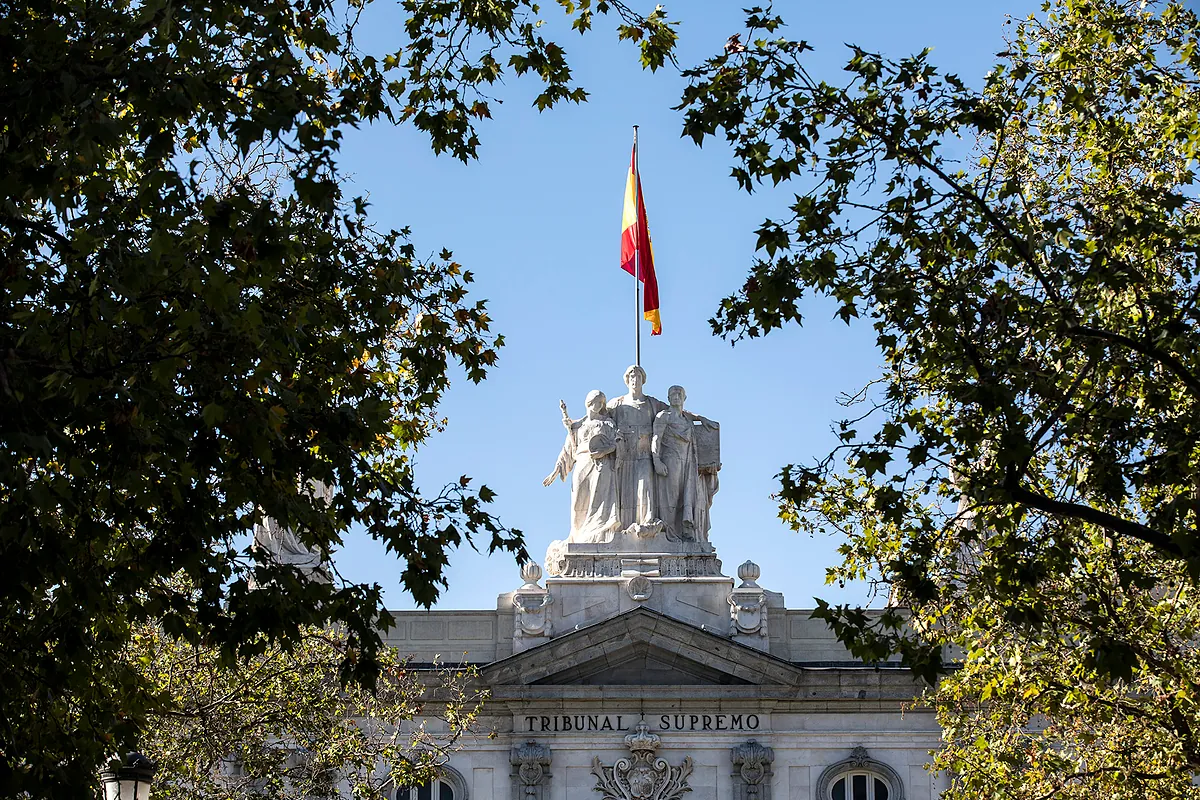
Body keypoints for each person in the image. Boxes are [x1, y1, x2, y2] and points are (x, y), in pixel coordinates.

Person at [543, 390, 622, 543]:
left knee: (600, 499)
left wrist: (606, 450)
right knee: (578, 500)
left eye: (601, 402)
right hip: (582, 461)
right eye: (596, 402)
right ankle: (578, 535)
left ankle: (600, 534)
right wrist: (556, 470)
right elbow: (567, 450)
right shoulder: (577, 426)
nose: (598, 405)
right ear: (588, 403)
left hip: (602, 464)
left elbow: (617, 443)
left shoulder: (607, 423)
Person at [606, 365, 667, 537]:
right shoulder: (616, 404)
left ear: (643, 380)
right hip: (624, 455)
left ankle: (647, 523)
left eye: (638, 377)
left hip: (644, 454)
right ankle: (625, 529)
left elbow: (676, 412)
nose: (635, 380)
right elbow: (597, 418)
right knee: (625, 492)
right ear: (627, 380)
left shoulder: (653, 404)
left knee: (645, 486)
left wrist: (700, 419)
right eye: (632, 377)